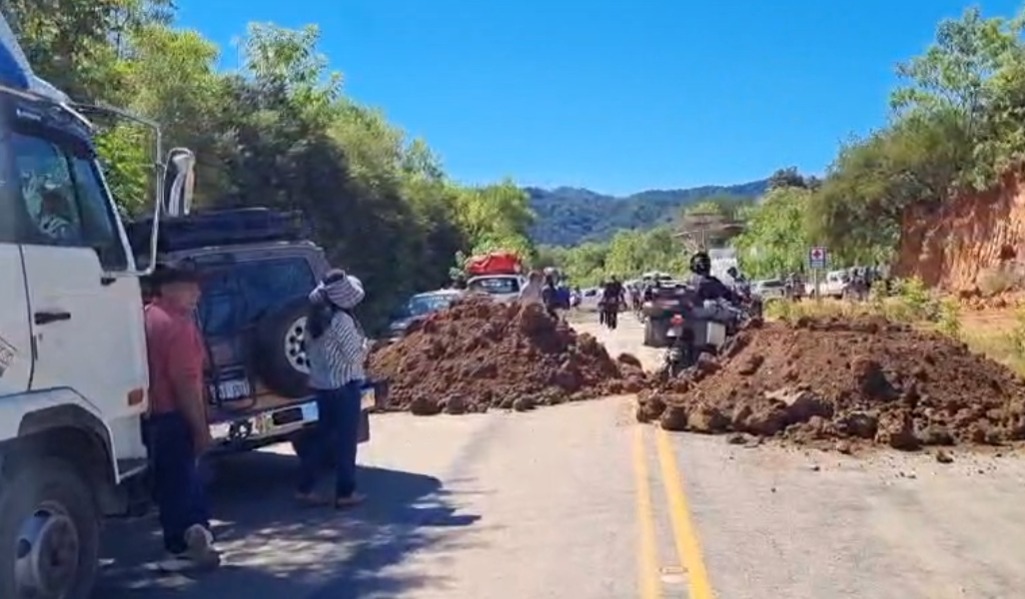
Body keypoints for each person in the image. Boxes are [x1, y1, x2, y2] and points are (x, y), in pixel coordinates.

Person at [143, 261, 220, 572]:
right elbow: (185, 382)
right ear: (166, 287)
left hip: (151, 418)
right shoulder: (179, 326)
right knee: (185, 483)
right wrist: (201, 429)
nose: (197, 293)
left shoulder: (145, 317)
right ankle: (189, 542)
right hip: (174, 416)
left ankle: (181, 541)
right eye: (190, 286)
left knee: (169, 485)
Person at [295, 269, 370, 509]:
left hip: (322, 386)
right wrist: (366, 346)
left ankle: (305, 487)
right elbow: (354, 356)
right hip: (345, 386)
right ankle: (345, 492)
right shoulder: (342, 320)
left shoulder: (313, 321)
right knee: (346, 442)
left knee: (323, 438)